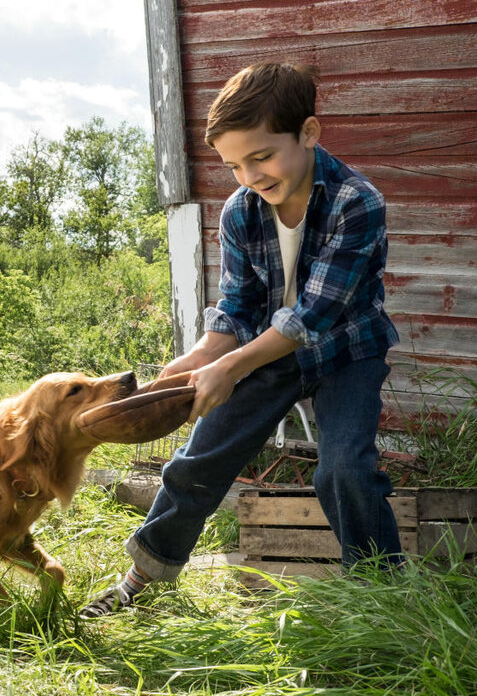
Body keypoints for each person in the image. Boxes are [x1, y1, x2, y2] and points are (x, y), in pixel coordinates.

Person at [80, 63, 403, 618]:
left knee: (344, 469)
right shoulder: (239, 211)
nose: (250, 174)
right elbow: (235, 309)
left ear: (308, 133)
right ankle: (144, 579)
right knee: (195, 461)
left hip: (347, 350)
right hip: (268, 353)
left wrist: (229, 369)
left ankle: (383, 597)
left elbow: (312, 317)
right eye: (234, 164)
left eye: (261, 156)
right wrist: (198, 360)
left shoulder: (356, 202)